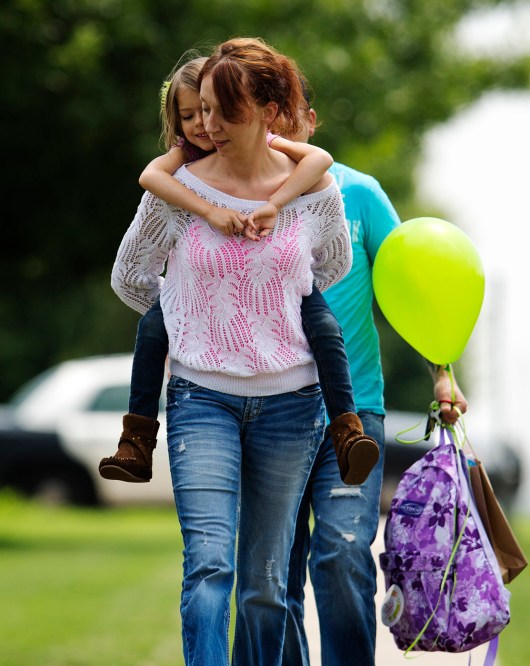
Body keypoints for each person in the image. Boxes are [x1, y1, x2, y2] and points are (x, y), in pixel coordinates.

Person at [110, 37, 353, 664]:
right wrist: (194, 316)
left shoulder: (314, 191)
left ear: (269, 113)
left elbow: (330, 266)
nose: (208, 125)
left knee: (268, 588)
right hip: (199, 399)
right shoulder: (177, 191)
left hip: (292, 406)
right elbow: (131, 276)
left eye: (224, 112)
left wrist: (263, 310)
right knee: (209, 567)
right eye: (203, 111)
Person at [99, 53, 378, 489]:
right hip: (189, 298)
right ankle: (136, 440)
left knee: (325, 328)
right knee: (153, 332)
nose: (202, 125)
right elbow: (150, 178)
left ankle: (346, 428)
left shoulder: (267, 145)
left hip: (285, 286)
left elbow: (319, 159)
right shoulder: (183, 159)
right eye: (190, 115)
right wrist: (209, 215)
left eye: (212, 111)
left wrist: (275, 205)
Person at [281, 84, 469, 666]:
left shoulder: (360, 195)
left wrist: (442, 372)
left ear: (310, 122)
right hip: (268, 412)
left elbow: (413, 283)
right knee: (274, 573)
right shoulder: (241, 198)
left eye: (288, 120)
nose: (277, 134)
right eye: (264, 120)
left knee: (341, 553)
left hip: (354, 410)